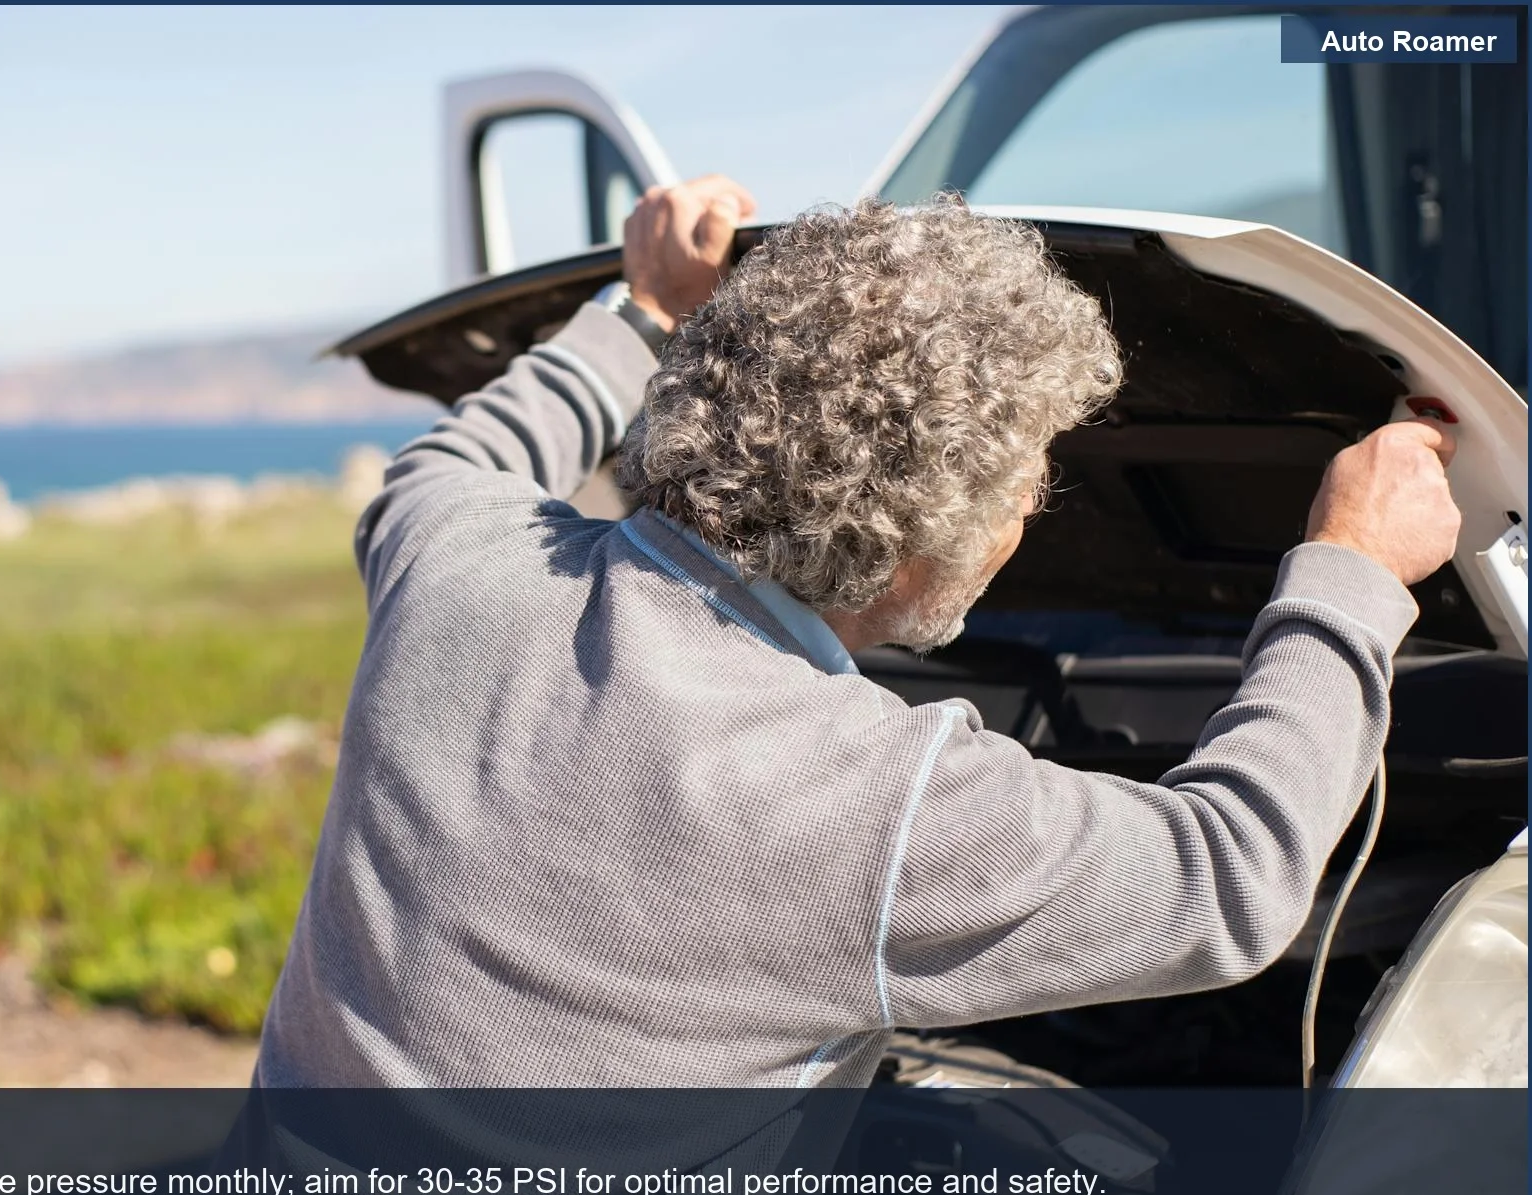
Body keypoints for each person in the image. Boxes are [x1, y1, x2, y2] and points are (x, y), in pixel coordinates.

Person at [253, 176, 1461, 1088]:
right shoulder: (872, 802)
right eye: (1030, 481)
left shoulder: (455, 566)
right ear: (916, 546)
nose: (1036, 511)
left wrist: (640, 310)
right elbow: (1227, 881)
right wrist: (1347, 574)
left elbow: (452, 456)